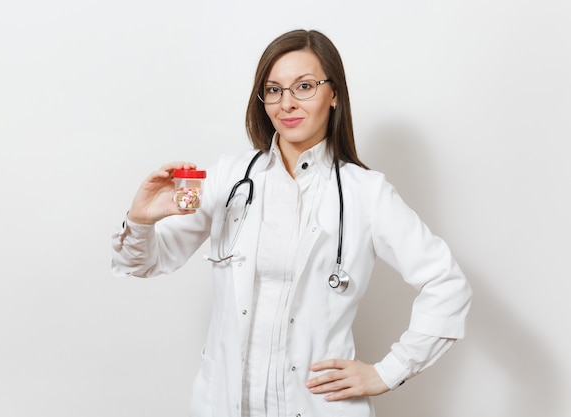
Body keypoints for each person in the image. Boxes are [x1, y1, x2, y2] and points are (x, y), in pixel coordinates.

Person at [111, 29, 472, 417]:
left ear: (334, 94)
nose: (287, 103)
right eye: (274, 89)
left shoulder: (367, 193)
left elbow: (447, 284)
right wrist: (141, 220)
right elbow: (143, 262)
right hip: (225, 402)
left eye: (304, 86)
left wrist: (389, 372)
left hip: (316, 405)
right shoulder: (230, 178)